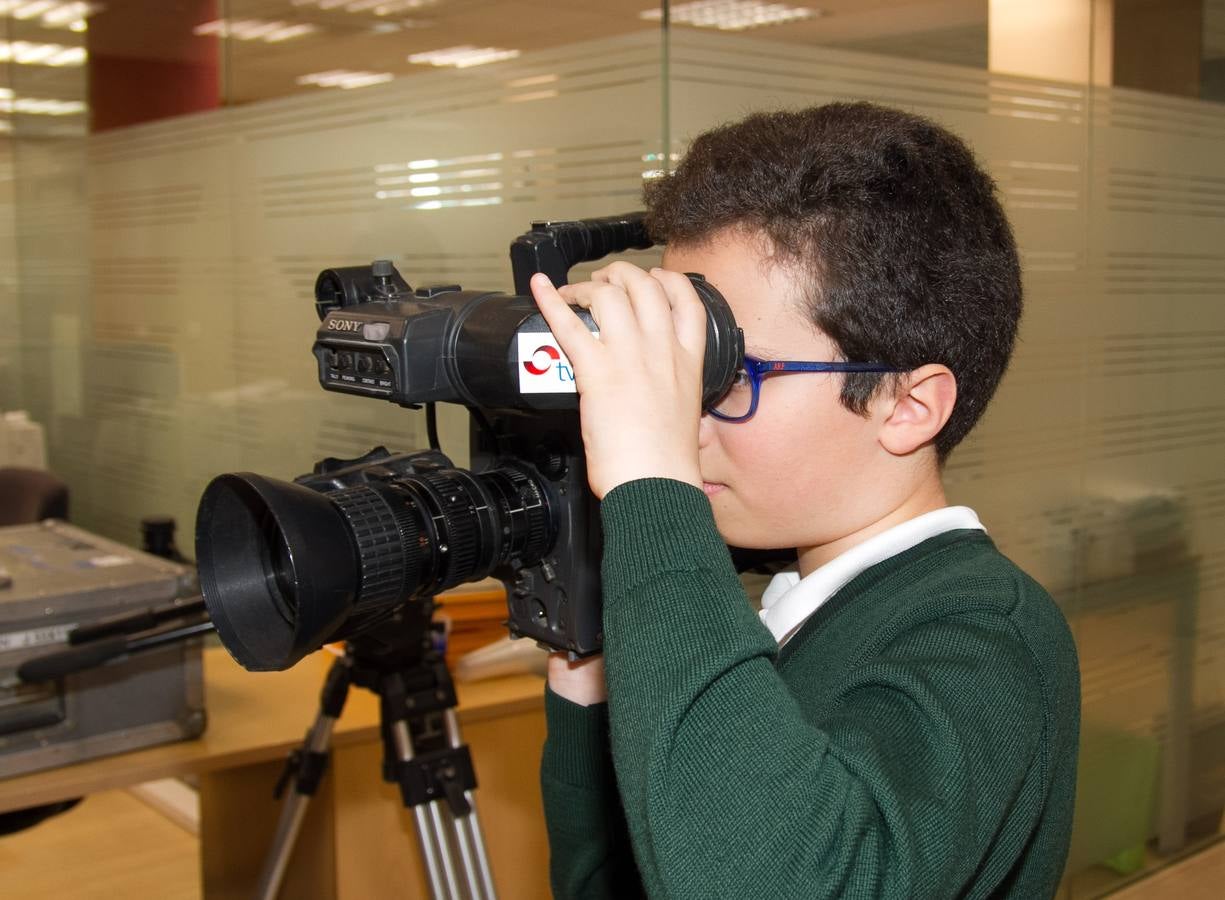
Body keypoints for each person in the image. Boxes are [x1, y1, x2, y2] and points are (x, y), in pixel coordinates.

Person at [528, 101, 1080, 899]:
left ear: (906, 405)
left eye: (730, 376)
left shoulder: (986, 636)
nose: (682, 422)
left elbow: (780, 879)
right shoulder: (774, 609)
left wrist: (654, 485)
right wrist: (590, 676)